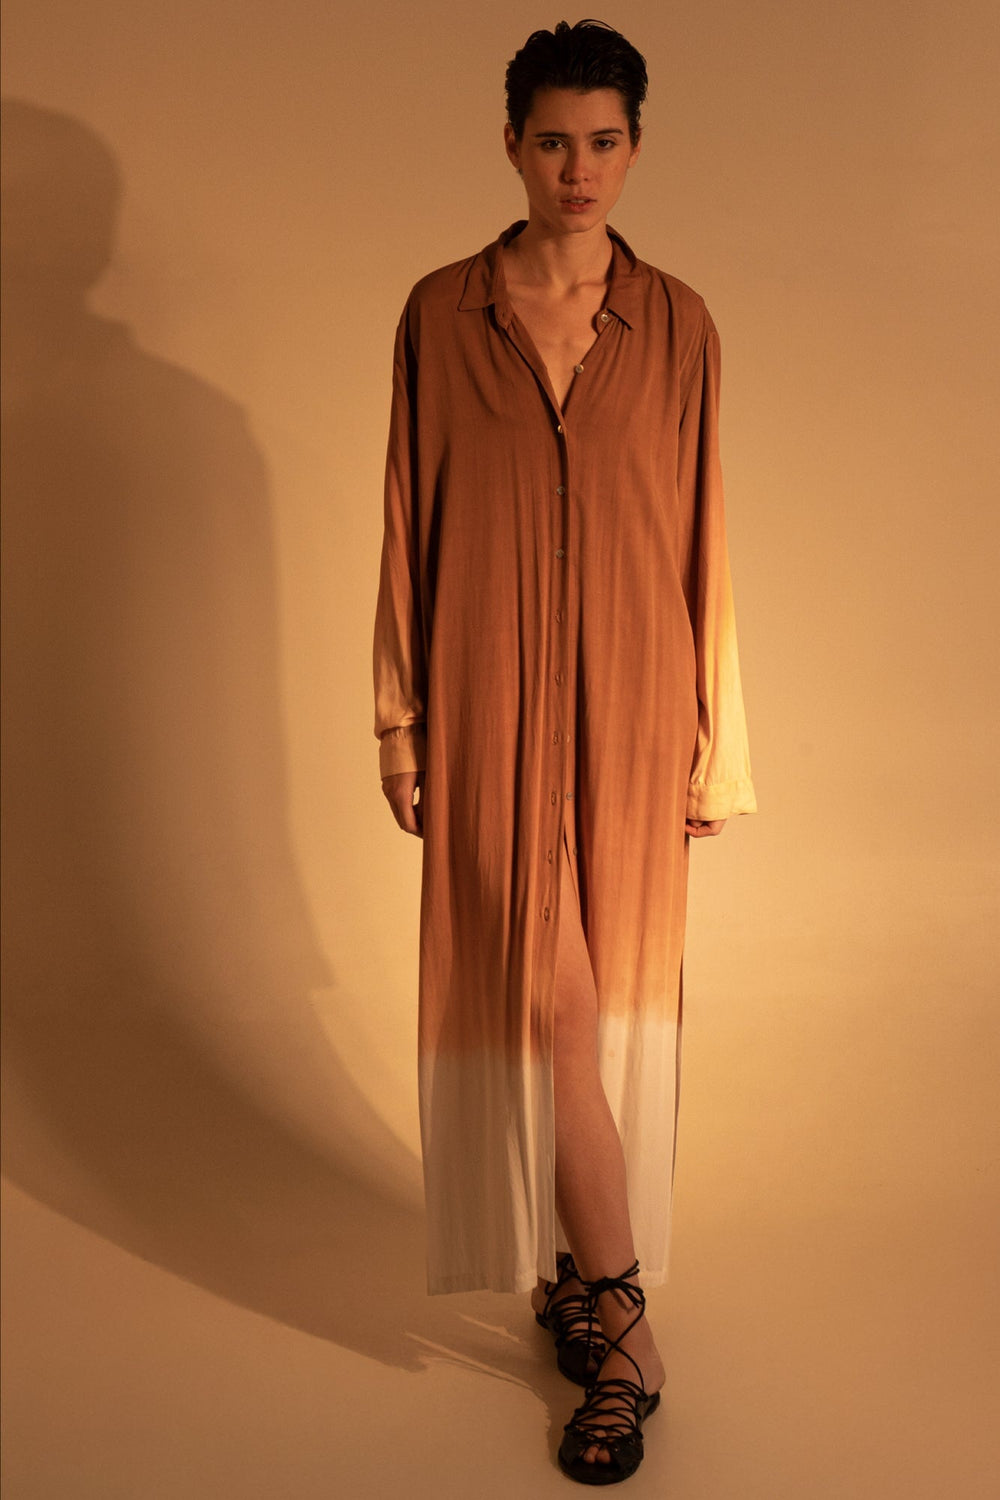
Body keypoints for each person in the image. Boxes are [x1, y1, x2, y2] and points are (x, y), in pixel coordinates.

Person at [373, 19, 755, 1485]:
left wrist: (716, 741)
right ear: (513, 145)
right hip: (483, 697)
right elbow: (407, 520)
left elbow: (706, 534)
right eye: (552, 141)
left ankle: (583, 1288)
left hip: (636, 702)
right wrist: (401, 718)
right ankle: (627, 1324)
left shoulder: (681, 326)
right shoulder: (439, 314)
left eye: (602, 142)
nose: (577, 169)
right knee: (548, 1002)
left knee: (590, 1010)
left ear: (634, 149)